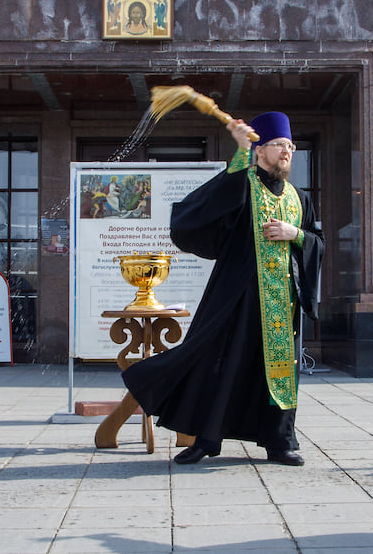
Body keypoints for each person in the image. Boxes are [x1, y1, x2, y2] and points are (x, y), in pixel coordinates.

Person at [122, 112, 324, 466]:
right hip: (238, 301)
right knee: (220, 366)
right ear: (260, 151)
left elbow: (317, 241)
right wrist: (241, 152)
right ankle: (207, 439)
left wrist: (298, 235)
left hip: (281, 305)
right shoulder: (242, 185)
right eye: (279, 145)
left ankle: (279, 442)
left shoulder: (298, 198)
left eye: (291, 146)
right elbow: (206, 207)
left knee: (277, 373)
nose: (287, 152)